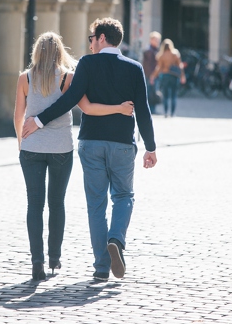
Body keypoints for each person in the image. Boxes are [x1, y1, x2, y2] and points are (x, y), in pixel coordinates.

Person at [22, 18, 158, 281]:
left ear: (103, 38)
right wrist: (150, 148)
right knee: (123, 196)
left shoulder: (87, 63)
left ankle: (101, 267)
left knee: (96, 204)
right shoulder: (134, 68)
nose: (90, 43)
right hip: (122, 145)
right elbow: (143, 109)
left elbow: (71, 100)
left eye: (92, 38)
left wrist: (39, 120)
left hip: (91, 143)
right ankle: (116, 240)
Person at [150, 38, 186, 118]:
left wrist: (153, 76)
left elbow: (158, 67)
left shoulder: (161, 55)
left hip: (165, 76)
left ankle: (166, 112)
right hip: (174, 76)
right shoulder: (175, 53)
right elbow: (180, 66)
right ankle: (172, 113)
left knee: (166, 95)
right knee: (173, 95)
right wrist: (183, 76)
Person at [142, 31, 162, 114]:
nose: (157, 42)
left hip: (154, 75)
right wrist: (151, 76)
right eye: (155, 40)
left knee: (153, 92)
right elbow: (148, 65)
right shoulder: (150, 51)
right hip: (151, 76)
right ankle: (151, 110)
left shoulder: (155, 49)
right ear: (151, 40)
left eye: (158, 40)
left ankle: (152, 109)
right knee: (151, 93)